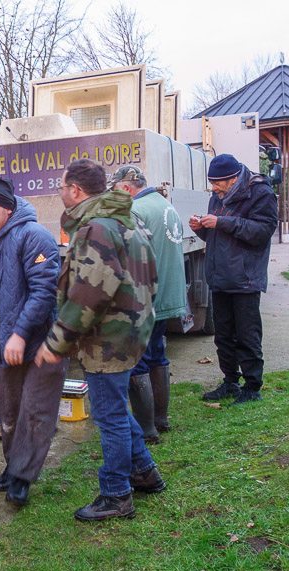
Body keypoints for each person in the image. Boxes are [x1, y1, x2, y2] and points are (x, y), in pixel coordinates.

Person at [35, 159, 166, 521]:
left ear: (75, 190)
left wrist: (56, 342)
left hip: (108, 337)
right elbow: (151, 274)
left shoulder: (96, 228)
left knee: (108, 415)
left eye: (61, 187)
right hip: (132, 329)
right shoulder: (127, 218)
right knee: (116, 407)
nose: (60, 193)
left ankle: (116, 494)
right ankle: (143, 472)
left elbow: (89, 294)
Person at [0, 176, 67, 507]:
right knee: (8, 413)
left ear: (8, 209)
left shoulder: (35, 236)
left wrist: (19, 335)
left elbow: (43, 294)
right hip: (1, 345)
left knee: (35, 412)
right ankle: (13, 466)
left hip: (39, 343)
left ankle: (23, 477)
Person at [189, 154, 278, 405]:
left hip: (245, 278)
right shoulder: (216, 197)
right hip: (219, 277)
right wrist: (202, 228)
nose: (213, 188)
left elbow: (262, 232)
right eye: (211, 183)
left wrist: (222, 222)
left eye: (217, 183)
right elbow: (217, 237)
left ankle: (252, 387)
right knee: (224, 335)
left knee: (247, 334)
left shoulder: (260, 193)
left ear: (233, 179)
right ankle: (230, 382)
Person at [110, 166, 186, 442]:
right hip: (167, 294)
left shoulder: (134, 211)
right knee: (157, 354)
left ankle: (146, 430)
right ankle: (160, 419)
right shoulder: (165, 204)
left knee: (136, 360)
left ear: (127, 188)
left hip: (145, 299)